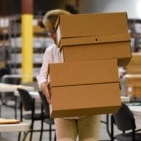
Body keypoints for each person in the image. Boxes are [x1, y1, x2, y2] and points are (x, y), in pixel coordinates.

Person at [36, 9, 101, 141]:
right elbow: (42, 76)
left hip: (89, 110)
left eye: (53, 31)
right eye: (48, 32)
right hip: (63, 111)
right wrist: (43, 85)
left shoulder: (87, 48)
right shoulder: (51, 51)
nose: (50, 35)